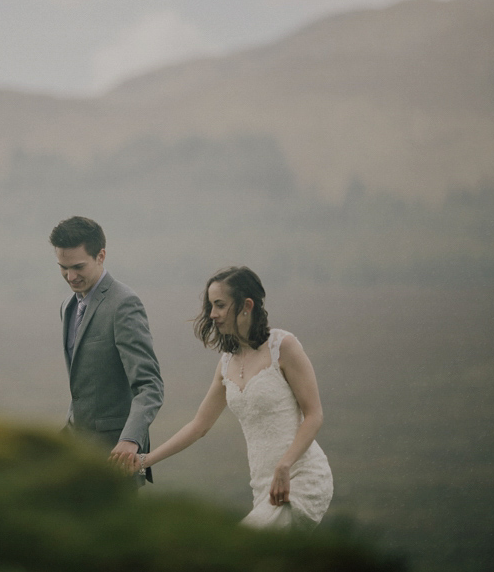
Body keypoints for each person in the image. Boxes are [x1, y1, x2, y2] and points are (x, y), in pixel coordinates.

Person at [132, 266, 332, 528]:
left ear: (247, 305)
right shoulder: (226, 363)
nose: (212, 314)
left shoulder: (283, 346)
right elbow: (198, 426)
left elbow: (314, 415)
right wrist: (144, 461)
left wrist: (285, 466)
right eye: (210, 306)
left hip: (299, 479)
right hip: (263, 486)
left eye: (219, 305)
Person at [49, 216, 164, 484]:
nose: (70, 276)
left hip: (117, 460)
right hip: (78, 454)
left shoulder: (124, 304)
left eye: (78, 267)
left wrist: (129, 439)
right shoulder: (68, 306)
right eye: (63, 268)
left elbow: (150, 386)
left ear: (101, 256)